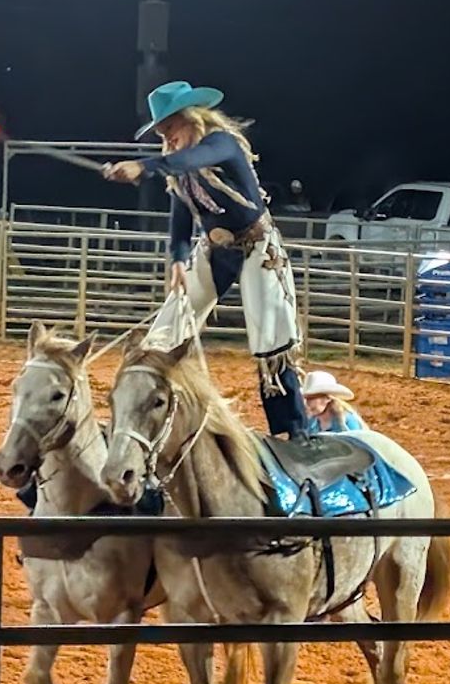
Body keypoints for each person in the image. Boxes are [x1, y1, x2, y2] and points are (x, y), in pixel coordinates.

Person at [104, 80, 308, 439]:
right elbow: (181, 218)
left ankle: (292, 430)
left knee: (271, 340)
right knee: (165, 332)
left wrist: (145, 166)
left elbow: (189, 159)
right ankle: (145, 414)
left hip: (258, 249)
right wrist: (178, 260)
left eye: (170, 129)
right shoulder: (180, 167)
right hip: (214, 251)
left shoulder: (219, 145)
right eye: (162, 133)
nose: (167, 139)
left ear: (192, 119)